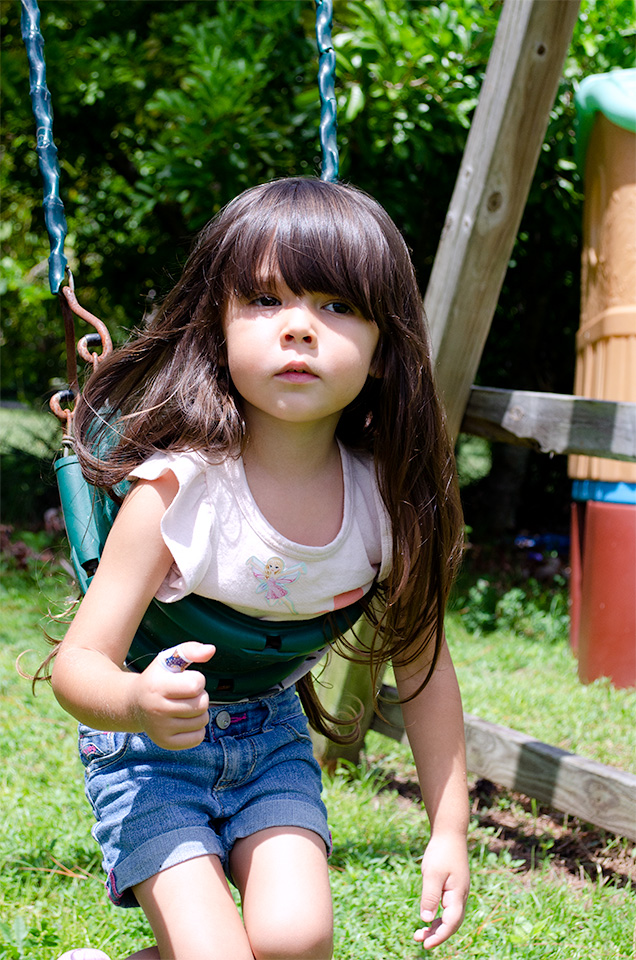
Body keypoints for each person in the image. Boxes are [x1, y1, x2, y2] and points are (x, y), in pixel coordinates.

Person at [49, 177, 469, 960]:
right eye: (268, 301)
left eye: (339, 306)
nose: (301, 330)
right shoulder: (177, 493)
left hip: (271, 737)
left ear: (384, 350)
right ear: (218, 328)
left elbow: (422, 666)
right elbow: (78, 664)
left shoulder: (383, 501)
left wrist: (449, 830)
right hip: (149, 753)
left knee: (296, 940)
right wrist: (139, 700)